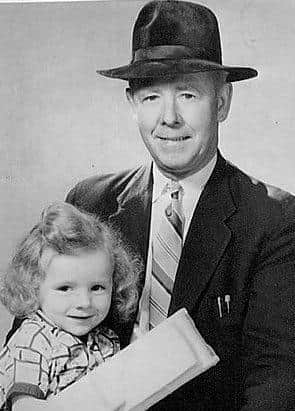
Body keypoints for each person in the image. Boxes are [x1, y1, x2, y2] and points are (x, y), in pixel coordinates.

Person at [6, 0, 295, 409]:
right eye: (151, 97)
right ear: (132, 105)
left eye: (188, 94)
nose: (169, 117)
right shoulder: (90, 203)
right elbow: (29, 339)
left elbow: (277, 379)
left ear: (223, 103)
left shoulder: (275, 219)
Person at [0, 202, 140, 411]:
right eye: (65, 288)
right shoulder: (32, 342)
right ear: (34, 286)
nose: (84, 303)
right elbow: (25, 406)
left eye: (97, 287)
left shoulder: (106, 340)